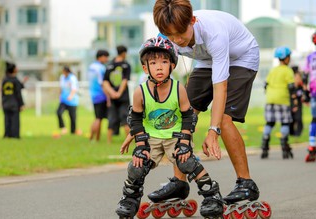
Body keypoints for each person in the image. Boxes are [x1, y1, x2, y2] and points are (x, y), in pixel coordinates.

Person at [153, 0, 260, 206]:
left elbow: (220, 87)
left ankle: (246, 183)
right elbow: (158, 77)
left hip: (241, 57)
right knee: (182, 116)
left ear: (192, 21)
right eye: (170, 35)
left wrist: (213, 130)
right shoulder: (166, 40)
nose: (176, 40)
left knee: (225, 120)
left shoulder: (215, 33)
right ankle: (179, 183)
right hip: (205, 60)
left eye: (180, 34)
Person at [115, 36, 223, 218]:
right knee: (137, 165)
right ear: (145, 67)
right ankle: (130, 198)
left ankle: (211, 195)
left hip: (175, 135)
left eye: (164, 62)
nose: (159, 67)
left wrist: (184, 141)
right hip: (151, 138)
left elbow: (188, 116)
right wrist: (140, 145)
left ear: (172, 66)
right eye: (153, 62)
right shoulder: (139, 92)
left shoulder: (178, 89)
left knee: (187, 161)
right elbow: (135, 119)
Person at [260, 46, 296, 159]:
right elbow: (291, 87)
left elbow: (265, 84)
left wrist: (270, 94)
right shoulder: (288, 70)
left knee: (270, 123)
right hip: (283, 99)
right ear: (285, 58)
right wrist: (294, 100)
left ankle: (265, 142)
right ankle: (284, 143)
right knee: (285, 123)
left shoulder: (273, 70)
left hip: (270, 99)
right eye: (289, 56)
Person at [102, 45, 131, 143]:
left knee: (112, 118)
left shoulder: (109, 65)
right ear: (124, 53)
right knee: (125, 118)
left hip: (112, 97)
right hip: (123, 97)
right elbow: (124, 80)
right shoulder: (126, 65)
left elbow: (105, 82)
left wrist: (112, 93)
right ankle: (129, 141)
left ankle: (108, 141)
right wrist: (118, 93)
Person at [88, 49, 110, 142]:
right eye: (106, 57)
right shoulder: (101, 68)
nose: (107, 59)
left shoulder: (91, 67)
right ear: (101, 57)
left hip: (93, 94)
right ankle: (96, 139)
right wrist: (108, 97)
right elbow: (103, 83)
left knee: (97, 117)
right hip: (101, 95)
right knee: (99, 118)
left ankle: (92, 137)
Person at [1, 61, 25, 139]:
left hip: (5, 103)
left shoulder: (5, 80)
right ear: (13, 70)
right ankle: (15, 135)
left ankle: (7, 134)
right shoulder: (15, 80)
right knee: (15, 120)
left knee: (7, 120)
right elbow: (18, 93)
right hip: (14, 103)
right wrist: (21, 104)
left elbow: (3, 92)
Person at [304, 32, 316, 162]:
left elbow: (304, 75)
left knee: (314, 119)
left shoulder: (310, 57)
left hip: (313, 91)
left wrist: (305, 93)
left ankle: (312, 145)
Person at [57, 65, 79, 135]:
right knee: (59, 112)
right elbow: (61, 87)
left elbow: (74, 89)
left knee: (72, 117)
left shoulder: (72, 78)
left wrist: (70, 96)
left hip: (72, 101)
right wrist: (60, 96)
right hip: (63, 100)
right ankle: (63, 128)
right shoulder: (62, 77)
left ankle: (73, 132)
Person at [289, 66, 305, 137]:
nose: (298, 79)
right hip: (291, 105)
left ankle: (298, 133)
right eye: (297, 78)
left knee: (298, 118)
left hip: (299, 105)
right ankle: (291, 133)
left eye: (299, 78)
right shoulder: (291, 87)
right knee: (291, 119)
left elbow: (303, 95)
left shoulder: (300, 87)